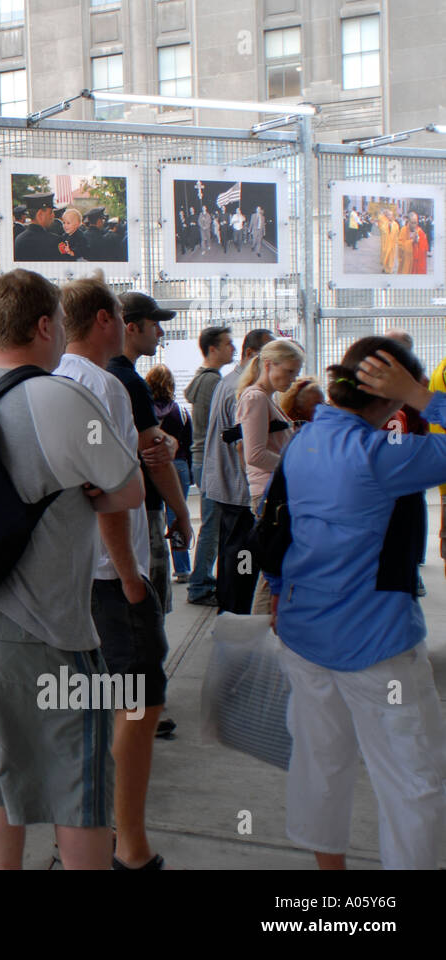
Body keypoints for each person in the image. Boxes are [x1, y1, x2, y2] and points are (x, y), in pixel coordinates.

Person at [0, 269, 145, 870]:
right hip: (46, 623)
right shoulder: (61, 397)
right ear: (43, 326)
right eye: (59, 322)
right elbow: (128, 489)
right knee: (77, 779)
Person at [267, 338, 446, 870]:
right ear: (390, 398)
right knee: (413, 779)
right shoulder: (381, 457)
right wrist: (423, 396)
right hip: (376, 643)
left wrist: (277, 594)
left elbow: (281, 523)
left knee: (320, 764)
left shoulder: (304, 440)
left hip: (305, 635)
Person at [56, 276, 169, 870]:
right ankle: (129, 845)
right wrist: (130, 577)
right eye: (122, 318)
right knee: (139, 704)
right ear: (104, 320)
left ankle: (79, 839)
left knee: (84, 705)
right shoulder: (104, 385)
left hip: (61, 576)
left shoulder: (45, 381)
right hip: (105, 574)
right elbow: (108, 493)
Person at [111, 291, 193, 616]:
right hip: (141, 511)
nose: (160, 333)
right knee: (149, 612)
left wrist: (163, 440)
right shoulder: (129, 382)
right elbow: (155, 459)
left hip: (114, 514)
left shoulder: (96, 374)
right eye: (154, 324)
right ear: (131, 327)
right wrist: (182, 514)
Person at [202, 328, 275, 614]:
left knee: (233, 551)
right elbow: (245, 446)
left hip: (230, 484)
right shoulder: (244, 390)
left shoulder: (233, 382)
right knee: (241, 555)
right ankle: (235, 613)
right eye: (269, 358)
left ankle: (230, 611)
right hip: (238, 486)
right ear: (251, 355)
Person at [236, 338, 304, 614]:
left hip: (271, 492)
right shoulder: (255, 398)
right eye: (289, 371)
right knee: (271, 572)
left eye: (295, 373)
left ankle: (264, 634)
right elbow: (254, 454)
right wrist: (294, 466)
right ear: (268, 364)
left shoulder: (263, 398)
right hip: (268, 494)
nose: (292, 379)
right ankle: (260, 636)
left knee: (274, 571)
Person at [185, 325, 235, 605]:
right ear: (212, 349)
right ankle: (199, 585)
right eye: (227, 344)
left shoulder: (209, 379)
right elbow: (216, 428)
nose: (233, 348)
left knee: (213, 524)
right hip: (210, 460)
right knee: (212, 524)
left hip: (206, 459)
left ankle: (203, 579)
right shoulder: (211, 382)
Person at [147, 364, 193, 584]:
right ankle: (182, 568)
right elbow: (188, 441)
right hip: (179, 464)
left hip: (154, 466)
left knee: (154, 515)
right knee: (176, 514)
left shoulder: (145, 412)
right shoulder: (181, 412)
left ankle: (155, 567)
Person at [13, 192, 67, 262]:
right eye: (50, 212)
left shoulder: (19, 239)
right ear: (40, 214)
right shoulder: (54, 241)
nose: (53, 215)